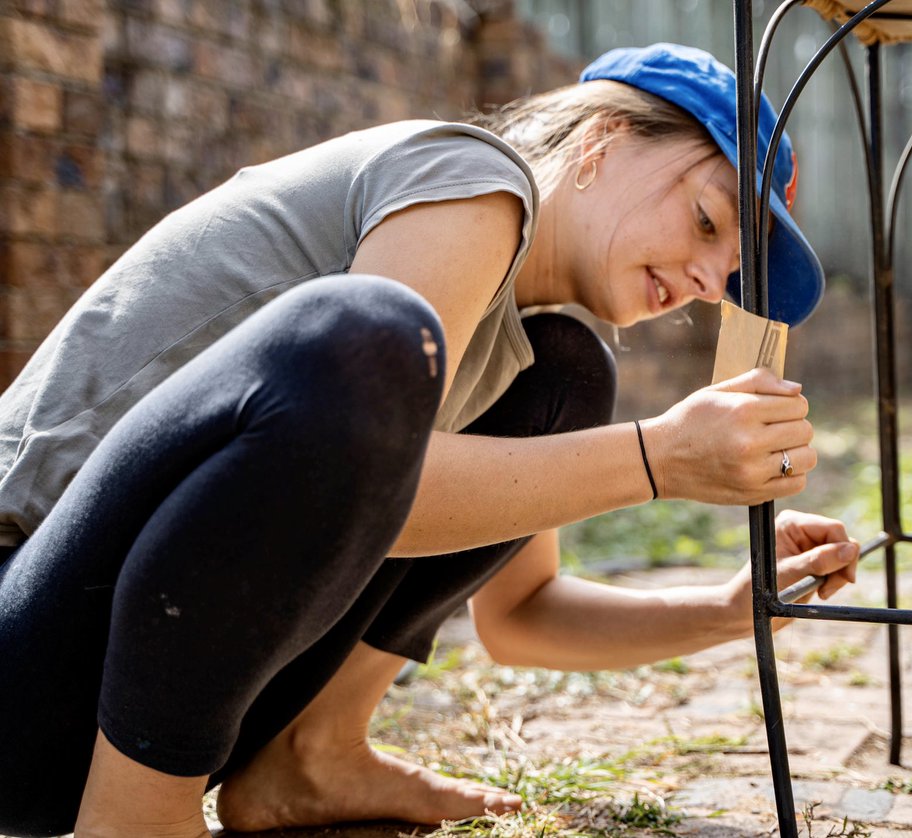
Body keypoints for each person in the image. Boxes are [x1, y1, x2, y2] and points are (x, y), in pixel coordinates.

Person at [0, 43, 859, 837]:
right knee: (364, 335)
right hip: (26, 657)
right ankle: (137, 820)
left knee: (566, 375)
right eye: (708, 224)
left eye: (730, 274)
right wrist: (660, 458)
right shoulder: (470, 180)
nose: (710, 284)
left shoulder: (517, 340)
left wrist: (725, 608)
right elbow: (353, 488)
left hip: (121, 707)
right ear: (602, 143)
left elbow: (523, 617)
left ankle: (310, 753)